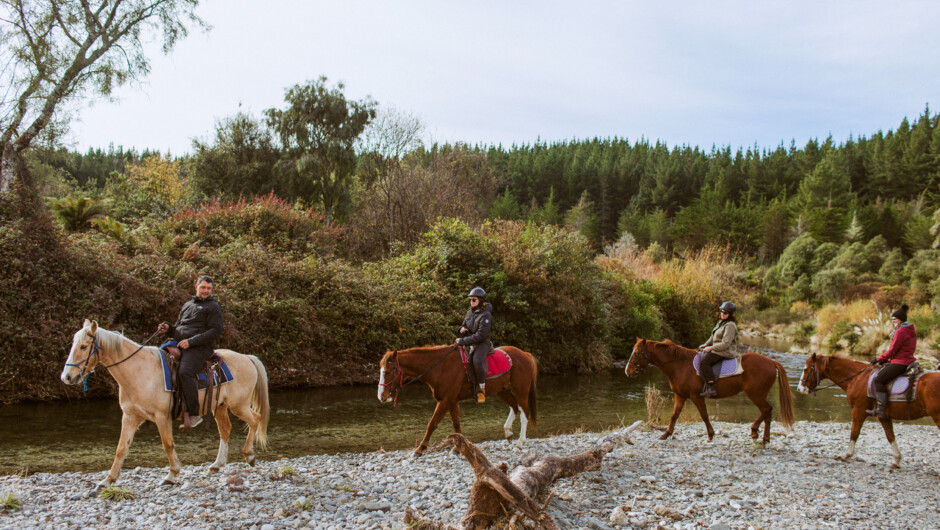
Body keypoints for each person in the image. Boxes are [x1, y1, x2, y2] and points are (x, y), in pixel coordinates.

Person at [158, 275, 224, 431]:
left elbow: (215, 331)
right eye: (203, 287)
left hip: (200, 347)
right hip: (183, 344)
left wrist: (191, 341)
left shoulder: (214, 307)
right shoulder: (187, 305)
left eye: (209, 288)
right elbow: (179, 328)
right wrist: (169, 329)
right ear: (196, 287)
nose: (206, 290)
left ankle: (194, 414)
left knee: (185, 372)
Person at [867, 304, 916, 419]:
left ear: (899, 320)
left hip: (901, 362)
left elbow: (893, 350)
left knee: (878, 380)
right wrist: (887, 360)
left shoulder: (900, 332)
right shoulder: (910, 330)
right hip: (907, 360)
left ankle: (880, 410)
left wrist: (879, 359)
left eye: (894, 320)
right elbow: (901, 350)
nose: (893, 322)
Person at [455, 287, 494, 403]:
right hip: (469, 341)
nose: (471, 302)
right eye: (470, 300)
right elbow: (463, 325)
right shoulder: (469, 313)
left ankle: (481, 388)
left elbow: (481, 335)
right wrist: (461, 328)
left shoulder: (486, 315)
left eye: (474, 300)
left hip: (482, 343)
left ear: (481, 301)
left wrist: (463, 341)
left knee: (477, 360)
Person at [697, 301, 739, 398]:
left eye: (725, 313)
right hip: (718, 349)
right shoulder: (721, 323)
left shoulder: (730, 325)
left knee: (704, 363)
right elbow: (713, 337)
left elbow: (726, 343)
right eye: (721, 312)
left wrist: (711, 348)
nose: (722, 314)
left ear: (730, 314)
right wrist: (705, 344)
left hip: (725, 351)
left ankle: (711, 388)